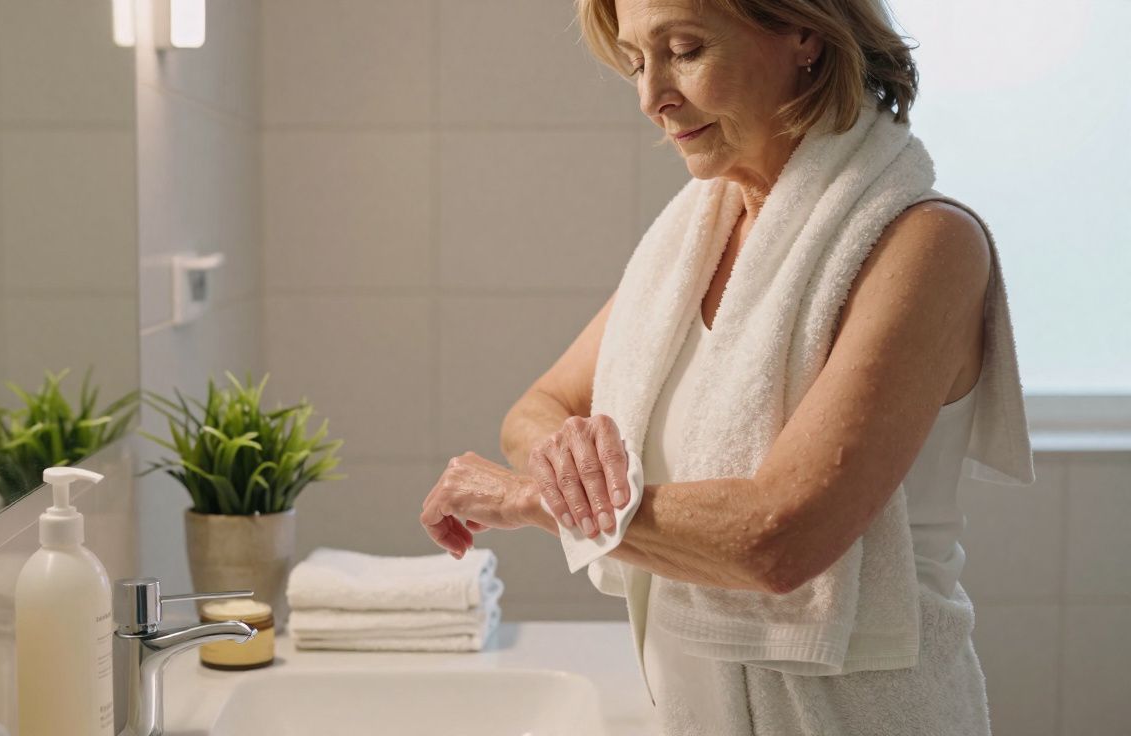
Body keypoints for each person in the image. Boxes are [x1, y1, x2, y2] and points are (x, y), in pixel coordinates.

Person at [420, 0, 1004, 732]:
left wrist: (536, 501)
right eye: (636, 61)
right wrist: (562, 455)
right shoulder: (695, 242)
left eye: (686, 51)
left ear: (803, 31)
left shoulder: (925, 245)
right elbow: (539, 406)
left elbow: (780, 538)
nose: (651, 95)